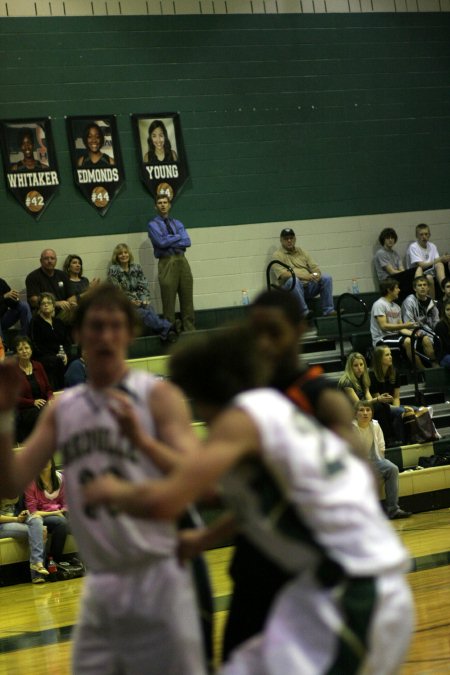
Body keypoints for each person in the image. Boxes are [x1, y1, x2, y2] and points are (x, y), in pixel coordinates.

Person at [83, 327, 414, 675]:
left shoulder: (240, 421)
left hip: (358, 591)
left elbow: (170, 499)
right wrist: (203, 538)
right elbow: (232, 497)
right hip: (320, 589)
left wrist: (111, 491)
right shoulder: (266, 412)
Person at [0, 284, 206, 674]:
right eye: (96, 326)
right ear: (78, 335)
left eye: (115, 326)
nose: (106, 336)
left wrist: (141, 441)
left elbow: (200, 481)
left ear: (129, 332)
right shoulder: (65, 408)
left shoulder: (158, 397)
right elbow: (11, 484)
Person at [353, 402, 412, 520]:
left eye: (368, 410)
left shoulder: (375, 425)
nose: (365, 413)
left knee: (392, 469)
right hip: (356, 465)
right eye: (361, 410)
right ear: (355, 413)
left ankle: (393, 510)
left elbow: (381, 448)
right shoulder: (350, 428)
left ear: (372, 413)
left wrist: (381, 466)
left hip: (374, 461)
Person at [108, 243, 177, 342]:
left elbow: (143, 285)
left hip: (139, 301)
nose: (123, 255)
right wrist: (131, 302)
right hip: (123, 306)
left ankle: (164, 332)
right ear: (117, 256)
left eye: (125, 252)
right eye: (120, 254)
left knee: (149, 308)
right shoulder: (113, 270)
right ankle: (169, 327)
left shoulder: (136, 267)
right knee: (144, 313)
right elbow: (116, 292)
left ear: (129, 254)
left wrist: (144, 299)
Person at [147, 194, 195, 332]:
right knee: (168, 300)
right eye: (160, 202)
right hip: (166, 262)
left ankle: (190, 329)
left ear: (169, 205)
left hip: (182, 260)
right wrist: (178, 237)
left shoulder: (178, 223)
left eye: (165, 202)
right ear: (155, 206)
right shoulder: (152, 224)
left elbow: (188, 242)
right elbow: (161, 243)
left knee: (187, 298)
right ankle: (171, 331)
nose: (163, 205)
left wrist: (170, 238)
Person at [270, 228, 335, 318]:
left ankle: (328, 310)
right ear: (281, 240)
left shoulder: (302, 252)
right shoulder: (277, 255)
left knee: (326, 278)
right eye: (286, 239)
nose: (289, 241)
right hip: (290, 289)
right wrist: (306, 277)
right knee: (294, 280)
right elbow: (284, 274)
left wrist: (316, 275)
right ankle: (303, 312)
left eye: (291, 238)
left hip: (307, 286)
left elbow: (314, 267)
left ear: (295, 239)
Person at [338, 351, 396, 445]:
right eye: (355, 365)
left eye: (361, 364)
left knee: (383, 406)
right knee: (380, 408)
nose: (359, 368)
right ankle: (387, 440)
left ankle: (389, 439)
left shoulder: (363, 378)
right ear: (350, 367)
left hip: (361, 408)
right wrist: (377, 399)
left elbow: (368, 397)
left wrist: (379, 400)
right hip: (350, 411)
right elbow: (358, 404)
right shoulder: (346, 382)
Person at [25, 458, 71, 565]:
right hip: (41, 517)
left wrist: (64, 510)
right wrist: (56, 513)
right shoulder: (31, 482)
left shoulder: (60, 478)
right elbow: (33, 512)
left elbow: (66, 502)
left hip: (60, 513)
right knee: (62, 523)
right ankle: (53, 560)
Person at [369, 346, 416, 445]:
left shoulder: (395, 372)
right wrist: (397, 410)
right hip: (382, 407)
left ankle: (415, 438)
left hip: (392, 406)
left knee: (416, 410)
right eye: (387, 355)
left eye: (390, 354)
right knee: (406, 411)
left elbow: (396, 397)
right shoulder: (372, 375)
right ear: (379, 359)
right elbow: (379, 400)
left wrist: (396, 408)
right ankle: (401, 440)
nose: (390, 357)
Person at [14, 336, 53, 443]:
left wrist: (50, 398)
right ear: (16, 353)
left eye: (26, 348)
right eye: (20, 349)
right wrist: (33, 402)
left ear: (31, 350)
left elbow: (48, 389)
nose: (24, 351)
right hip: (25, 410)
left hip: (42, 405)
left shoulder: (38, 366)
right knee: (44, 415)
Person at [0, 495, 48, 583]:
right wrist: (16, 519)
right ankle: (37, 573)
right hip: (2, 525)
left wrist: (23, 513)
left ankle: (37, 566)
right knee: (40, 531)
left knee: (36, 519)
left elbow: (20, 508)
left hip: (16, 519)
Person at [370, 277, 418, 365]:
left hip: (395, 336)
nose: (399, 290)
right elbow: (384, 326)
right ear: (389, 290)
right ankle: (421, 370)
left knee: (420, 339)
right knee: (408, 341)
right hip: (382, 338)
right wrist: (405, 325)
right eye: (396, 288)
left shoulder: (397, 307)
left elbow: (401, 329)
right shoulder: (379, 304)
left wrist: (415, 333)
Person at [29, 293, 70, 390]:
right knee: (55, 361)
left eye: (49, 303)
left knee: (76, 359)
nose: (46, 305)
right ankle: (57, 391)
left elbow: (67, 341)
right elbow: (35, 345)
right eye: (43, 303)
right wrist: (55, 355)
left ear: (53, 306)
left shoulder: (59, 322)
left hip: (61, 354)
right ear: (39, 307)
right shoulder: (35, 322)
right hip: (43, 356)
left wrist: (66, 354)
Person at [374, 227, 420, 302]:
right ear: (383, 240)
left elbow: (402, 269)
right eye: (388, 238)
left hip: (396, 277)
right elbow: (391, 271)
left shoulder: (395, 254)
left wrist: (405, 273)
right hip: (387, 280)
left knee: (415, 271)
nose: (390, 240)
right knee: (414, 271)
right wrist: (405, 273)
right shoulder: (381, 253)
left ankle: (416, 298)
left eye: (392, 238)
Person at [401, 276, 439, 366]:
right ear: (415, 288)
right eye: (419, 285)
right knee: (426, 339)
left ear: (428, 287)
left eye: (425, 285)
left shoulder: (431, 302)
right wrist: (426, 333)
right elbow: (409, 324)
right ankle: (435, 366)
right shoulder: (409, 302)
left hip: (429, 331)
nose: (422, 287)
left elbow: (436, 322)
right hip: (415, 332)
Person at [406, 223, 450, 299]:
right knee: (429, 277)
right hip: (417, 272)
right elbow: (421, 265)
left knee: (439, 264)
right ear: (417, 236)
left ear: (429, 235)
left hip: (431, 270)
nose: (424, 237)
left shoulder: (432, 246)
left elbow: (437, 262)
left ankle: (445, 289)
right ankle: (431, 302)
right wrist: (440, 259)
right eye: (421, 234)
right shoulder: (413, 247)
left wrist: (445, 259)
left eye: (426, 234)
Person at [25, 249, 75, 315]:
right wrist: (56, 304)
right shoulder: (32, 277)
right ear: (41, 261)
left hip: (63, 312)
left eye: (52, 258)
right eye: (46, 258)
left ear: (56, 260)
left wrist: (70, 303)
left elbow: (71, 296)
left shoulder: (63, 275)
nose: (49, 261)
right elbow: (34, 301)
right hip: (44, 313)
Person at [0, 277, 31, 344]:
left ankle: (26, 338)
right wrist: (3, 297)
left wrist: (15, 298)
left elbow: (10, 302)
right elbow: (5, 296)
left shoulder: (1, 282)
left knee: (23, 305)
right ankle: (2, 347)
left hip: (4, 318)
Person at [435, 298, 450, 369]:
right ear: (444, 311)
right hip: (444, 356)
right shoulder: (440, 326)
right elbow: (446, 347)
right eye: (448, 310)